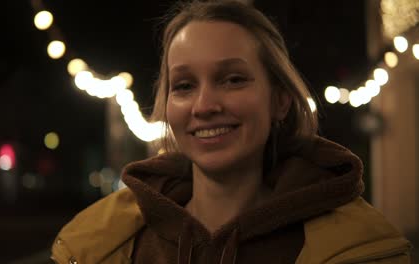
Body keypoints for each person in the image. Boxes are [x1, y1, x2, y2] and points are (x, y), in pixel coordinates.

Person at [50, 1, 412, 263]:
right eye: (184, 85)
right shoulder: (100, 245)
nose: (204, 105)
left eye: (233, 79)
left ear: (280, 101)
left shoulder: (360, 247)